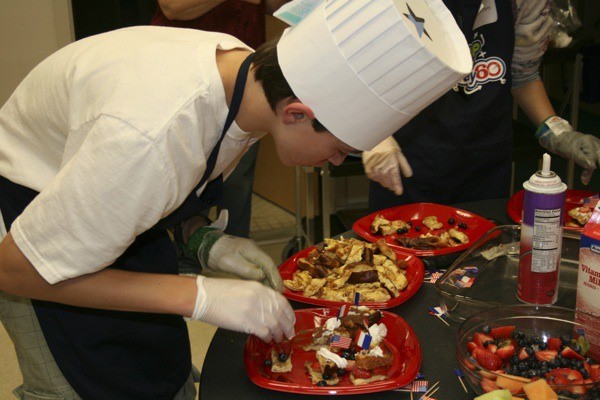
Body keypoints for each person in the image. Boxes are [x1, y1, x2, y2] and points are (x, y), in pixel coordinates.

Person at [0, 2, 473, 398]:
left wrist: (202, 238)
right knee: (89, 384)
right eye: (341, 149)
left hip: (109, 210)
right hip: (32, 233)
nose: (334, 162)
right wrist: (199, 295)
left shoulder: (246, 77)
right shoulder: (148, 136)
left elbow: (162, 188)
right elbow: (19, 270)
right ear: (297, 114)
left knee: (156, 368)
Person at [363, 0, 600, 211]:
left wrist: (557, 132)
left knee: (483, 253)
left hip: (485, 160)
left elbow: (522, 73)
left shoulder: (525, 3)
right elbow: (359, 67)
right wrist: (373, 134)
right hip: (406, 161)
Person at [151, 0, 289, 239]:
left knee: (237, 185)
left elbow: (270, 5)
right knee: (186, 187)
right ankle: (184, 266)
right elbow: (172, 6)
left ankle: (236, 262)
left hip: (246, 78)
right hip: (187, 80)